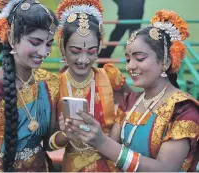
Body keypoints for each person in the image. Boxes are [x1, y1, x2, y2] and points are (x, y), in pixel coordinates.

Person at [65, 9, 199, 172]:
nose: (130, 66)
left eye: (139, 58)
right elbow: (110, 151)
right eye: (128, 59)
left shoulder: (183, 109)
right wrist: (83, 133)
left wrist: (101, 141)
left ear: (165, 62)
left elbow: (166, 169)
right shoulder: (130, 101)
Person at [0, 0, 59, 172]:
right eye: (35, 42)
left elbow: (49, 144)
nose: (43, 52)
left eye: (48, 44)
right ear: (12, 38)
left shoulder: (49, 82)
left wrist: (66, 134)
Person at [48, 0, 131, 172]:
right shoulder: (54, 85)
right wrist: (65, 135)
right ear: (62, 48)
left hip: (110, 162)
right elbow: (47, 143)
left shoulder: (110, 76)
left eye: (91, 51)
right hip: (73, 165)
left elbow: (134, 107)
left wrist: (116, 129)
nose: (83, 59)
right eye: (75, 51)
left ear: (100, 46)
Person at [98, 0, 145, 68]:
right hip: (129, 16)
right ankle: (104, 58)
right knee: (118, 37)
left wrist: (121, 4)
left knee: (125, 39)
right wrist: (122, 4)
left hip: (133, 16)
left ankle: (104, 58)